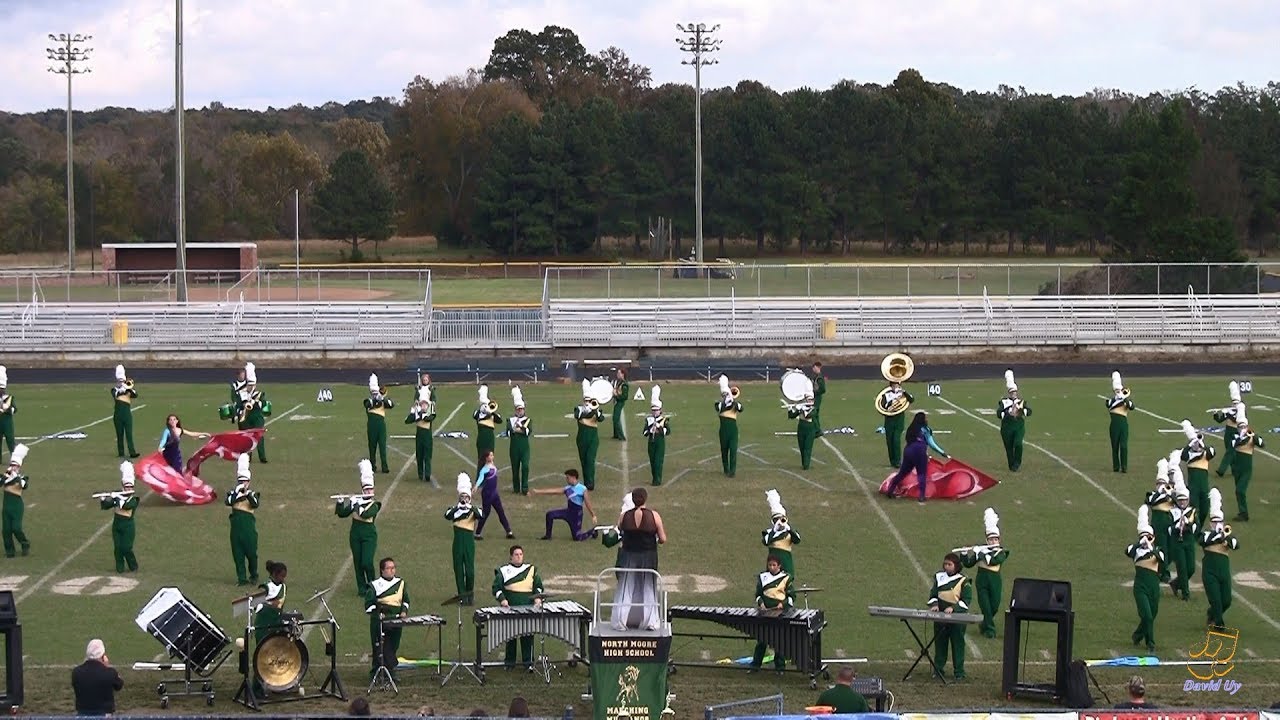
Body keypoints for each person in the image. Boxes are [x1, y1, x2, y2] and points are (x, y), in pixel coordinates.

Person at [614, 488, 666, 631]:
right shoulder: (654, 515)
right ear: (645, 499)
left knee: (626, 587)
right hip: (648, 556)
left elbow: (620, 532)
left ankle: (620, 621)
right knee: (649, 587)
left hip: (628, 555)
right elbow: (663, 539)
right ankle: (650, 622)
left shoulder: (624, 516)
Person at [958, 508, 1008, 639]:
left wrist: (980, 552)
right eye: (991, 540)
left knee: (994, 606)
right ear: (987, 541)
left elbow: (993, 561)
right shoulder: (981, 551)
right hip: (982, 582)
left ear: (999, 540)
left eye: (995, 540)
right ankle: (990, 630)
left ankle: (984, 624)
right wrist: (964, 553)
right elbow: (968, 564)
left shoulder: (1001, 552)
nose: (993, 542)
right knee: (985, 606)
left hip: (995, 582)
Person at [493, 545, 543, 671]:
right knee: (511, 637)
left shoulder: (531, 569)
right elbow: (496, 588)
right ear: (511, 557)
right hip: (511, 609)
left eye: (521, 554)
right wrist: (503, 600)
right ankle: (509, 663)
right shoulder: (504, 571)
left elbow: (538, 586)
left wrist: (538, 597)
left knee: (527, 637)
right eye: (516, 554)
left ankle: (529, 663)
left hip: (528, 609)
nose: (519, 556)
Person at [883, 411, 949, 504]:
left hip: (908, 451)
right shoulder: (926, 429)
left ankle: (890, 490)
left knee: (902, 473)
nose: (927, 419)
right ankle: (922, 496)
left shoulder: (911, 428)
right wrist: (942, 453)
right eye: (925, 418)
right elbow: (931, 444)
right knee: (921, 473)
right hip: (920, 451)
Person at [336, 460, 380, 596]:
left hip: (369, 536)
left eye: (370, 489)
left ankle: (373, 586)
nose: (368, 491)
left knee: (367, 561)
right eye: (366, 489)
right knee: (358, 562)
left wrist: (355, 504)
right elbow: (342, 514)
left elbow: (366, 514)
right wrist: (340, 503)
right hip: (355, 535)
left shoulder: (375, 504)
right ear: (362, 489)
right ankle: (362, 588)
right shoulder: (357, 500)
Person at [1126, 505, 1164, 652]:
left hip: (1154, 586)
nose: (1146, 539)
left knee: (1152, 615)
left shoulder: (1157, 551)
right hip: (1141, 586)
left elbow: (1162, 560)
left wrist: (1151, 547)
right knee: (1147, 616)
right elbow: (1128, 551)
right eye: (1144, 536)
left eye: (1149, 536)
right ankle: (1150, 643)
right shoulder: (1136, 551)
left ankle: (1137, 635)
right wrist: (1140, 543)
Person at [928, 552, 971, 680]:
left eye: (950, 564)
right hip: (941, 618)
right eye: (945, 564)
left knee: (957, 645)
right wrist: (935, 604)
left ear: (956, 566)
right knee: (940, 644)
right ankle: (938, 669)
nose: (946, 567)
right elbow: (933, 594)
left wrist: (953, 608)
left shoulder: (964, 580)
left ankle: (959, 672)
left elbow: (966, 600)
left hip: (957, 620)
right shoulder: (939, 577)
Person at [365, 556, 409, 679]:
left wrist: (404, 612)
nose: (392, 570)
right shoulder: (374, 585)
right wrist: (379, 612)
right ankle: (376, 673)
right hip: (379, 622)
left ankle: (389, 672)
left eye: (393, 568)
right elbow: (368, 606)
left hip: (396, 621)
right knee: (379, 648)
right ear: (382, 570)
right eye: (389, 568)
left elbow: (405, 601)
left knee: (393, 646)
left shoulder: (400, 583)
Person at [1200, 488, 1239, 628]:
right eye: (1214, 522)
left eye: (1219, 522)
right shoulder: (1206, 535)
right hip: (1210, 572)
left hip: (1224, 573)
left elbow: (1236, 545)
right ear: (1211, 523)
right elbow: (1203, 541)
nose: (1217, 525)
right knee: (1216, 600)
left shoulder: (1227, 536)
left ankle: (1212, 614)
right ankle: (1219, 623)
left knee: (1226, 601)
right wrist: (1218, 536)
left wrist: (1226, 538)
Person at [751, 555, 794, 672]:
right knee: (761, 641)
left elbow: (792, 597)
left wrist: (783, 604)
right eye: (770, 565)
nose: (772, 567)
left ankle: (780, 667)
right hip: (765, 613)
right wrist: (761, 604)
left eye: (774, 565)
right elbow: (758, 595)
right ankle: (755, 666)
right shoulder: (762, 577)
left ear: (779, 566)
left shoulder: (786, 578)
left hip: (780, 614)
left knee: (779, 641)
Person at [444, 474, 482, 605]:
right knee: (458, 569)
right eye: (462, 497)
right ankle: (462, 594)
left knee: (470, 570)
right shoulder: (454, 510)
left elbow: (480, 515)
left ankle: (469, 593)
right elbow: (447, 515)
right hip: (458, 541)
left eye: (466, 497)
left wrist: (470, 507)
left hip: (469, 542)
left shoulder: (473, 509)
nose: (464, 499)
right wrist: (458, 507)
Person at [534, 469, 597, 541]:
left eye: (568, 478)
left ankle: (593, 531)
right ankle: (548, 536)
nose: (566, 480)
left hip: (576, 515)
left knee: (577, 537)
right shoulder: (568, 488)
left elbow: (587, 502)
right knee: (550, 515)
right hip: (568, 512)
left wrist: (593, 515)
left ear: (573, 477)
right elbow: (554, 491)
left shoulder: (582, 488)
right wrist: (538, 491)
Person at [226, 454, 260, 585]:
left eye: (245, 482)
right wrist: (237, 493)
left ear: (249, 482)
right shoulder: (233, 493)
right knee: (238, 554)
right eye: (241, 481)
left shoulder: (252, 494)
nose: (243, 484)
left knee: (251, 554)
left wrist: (246, 493)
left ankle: (254, 575)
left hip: (248, 529)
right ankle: (242, 579)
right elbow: (228, 501)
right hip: (235, 529)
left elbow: (255, 503)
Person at [100, 461, 140, 572]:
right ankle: (120, 568)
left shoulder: (134, 500)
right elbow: (107, 506)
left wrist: (117, 497)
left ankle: (133, 566)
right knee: (117, 548)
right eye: (126, 487)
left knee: (126, 547)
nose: (128, 489)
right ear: (123, 487)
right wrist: (105, 499)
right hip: (117, 525)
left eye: (130, 487)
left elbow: (125, 506)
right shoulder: (119, 496)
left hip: (128, 526)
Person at [1167, 468, 1198, 602]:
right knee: (1182, 568)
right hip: (1177, 542)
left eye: (1184, 500)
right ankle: (1186, 594)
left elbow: (1197, 526)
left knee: (1191, 568)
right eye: (1180, 500)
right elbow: (1168, 528)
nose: (1182, 502)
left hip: (1189, 540)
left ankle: (1176, 583)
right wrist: (1176, 527)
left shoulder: (1192, 511)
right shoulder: (1172, 512)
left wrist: (1188, 526)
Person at [71, 638, 123, 716]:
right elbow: (119, 685)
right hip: (104, 715)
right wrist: (106, 666)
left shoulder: (76, 672)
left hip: (82, 715)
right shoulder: (109, 673)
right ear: (102, 656)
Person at [1146, 457, 1176, 583]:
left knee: (1172, 550)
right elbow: (1150, 501)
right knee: (1162, 548)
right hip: (1158, 525)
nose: (1162, 486)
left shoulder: (1172, 495)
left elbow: (1180, 502)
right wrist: (1161, 493)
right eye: (1159, 484)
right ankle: (1164, 573)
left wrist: (1170, 493)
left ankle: (1158, 567)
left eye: (1163, 484)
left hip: (1170, 524)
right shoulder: (1153, 495)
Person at [1180, 418, 1215, 525]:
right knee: (1194, 509)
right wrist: (1190, 444)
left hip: (1204, 487)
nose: (1196, 446)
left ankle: (1199, 527)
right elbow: (1183, 456)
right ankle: (1194, 528)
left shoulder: (1205, 454)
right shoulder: (1189, 455)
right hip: (1193, 487)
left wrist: (1201, 443)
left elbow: (1211, 452)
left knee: (1205, 509)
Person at [474, 450, 514, 540]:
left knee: (500, 512)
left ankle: (509, 531)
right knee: (486, 513)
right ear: (487, 458)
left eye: (492, 455)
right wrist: (476, 486)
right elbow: (480, 478)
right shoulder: (485, 469)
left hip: (494, 493)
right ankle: (477, 533)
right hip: (487, 494)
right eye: (490, 455)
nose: (492, 456)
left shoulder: (492, 465)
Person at [997, 369, 1031, 472]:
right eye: (1012, 392)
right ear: (1009, 393)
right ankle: (1012, 466)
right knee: (1009, 448)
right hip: (1007, 427)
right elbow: (999, 413)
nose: (1013, 394)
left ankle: (1017, 462)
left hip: (1018, 426)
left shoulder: (1021, 402)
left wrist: (1020, 411)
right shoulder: (1004, 402)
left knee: (1018, 443)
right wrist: (1008, 412)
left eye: (1015, 392)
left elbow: (1029, 412)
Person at [236, 362, 271, 463]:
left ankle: (262, 457)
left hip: (257, 417)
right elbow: (238, 405)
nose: (250, 387)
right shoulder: (242, 393)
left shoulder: (259, 394)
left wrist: (257, 402)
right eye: (249, 385)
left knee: (259, 436)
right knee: (246, 437)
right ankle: (248, 457)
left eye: (252, 385)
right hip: (246, 417)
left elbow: (263, 405)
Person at [1229, 412, 1261, 521]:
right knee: (1238, 491)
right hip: (1237, 469)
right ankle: (1242, 513)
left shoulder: (1252, 438)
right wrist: (1242, 436)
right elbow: (1235, 444)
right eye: (1240, 427)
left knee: (1240, 490)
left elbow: (1262, 444)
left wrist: (1254, 436)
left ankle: (1244, 513)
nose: (1242, 428)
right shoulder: (1235, 437)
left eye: (1244, 426)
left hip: (1246, 469)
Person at [573, 380, 604, 490]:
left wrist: (596, 411)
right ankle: (586, 482)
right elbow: (579, 416)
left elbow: (601, 419)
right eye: (586, 400)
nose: (587, 402)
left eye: (589, 400)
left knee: (590, 459)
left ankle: (590, 483)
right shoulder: (579, 409)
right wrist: (591, 411)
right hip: (581, 438)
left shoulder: (596, 409)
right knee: (584, 460)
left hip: (592, 438)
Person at [762, 490, 800, 579]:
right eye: (776, 520)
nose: (778, 521)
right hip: (772, 565)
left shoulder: (789, 532)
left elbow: (797, 540)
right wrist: (775, 530)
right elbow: (766, 541)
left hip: (786, 563)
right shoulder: (769, 532)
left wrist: (788, 528)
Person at [2, 444, 31, 557]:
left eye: (15, 466)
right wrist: (6, 475)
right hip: (6, 506)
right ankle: (10, 550)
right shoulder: (5, 477)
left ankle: (25, 543)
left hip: (17, 506)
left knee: (16, 528)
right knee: (6, 530)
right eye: (11, 465)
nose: (13, 467)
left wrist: (16, 476)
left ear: (19, 467)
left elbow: (23, 485)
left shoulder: (22, 478)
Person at [878, 380, 913, 468]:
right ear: (891, 386)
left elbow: (911, 400)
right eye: (894, 385)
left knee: (896, 439)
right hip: (889, 420)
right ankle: (892, 461)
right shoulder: (886, 395)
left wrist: (904, 392)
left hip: (899, 419)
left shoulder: (902, 394)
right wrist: (891, 402)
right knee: (889, 441)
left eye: (897, 385)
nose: (896, 387)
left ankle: (898, 461)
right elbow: (883, 406)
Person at [364, 373, 394, 474]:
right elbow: (369, 404)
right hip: (372, 425)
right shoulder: (368, 400)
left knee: (382, 446)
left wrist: (382, 397)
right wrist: (377, 398)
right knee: (372, 447)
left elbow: (391, 405)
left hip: (381, 425)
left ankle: (384, 466)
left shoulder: (383, 401)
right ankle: (372, 466)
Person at [406, 386, 437, 483]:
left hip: (427, 436)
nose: (423, 406)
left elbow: (429, 418)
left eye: (425, 405)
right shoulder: (417, 414)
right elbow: (407, 421)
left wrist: (420, 415)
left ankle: (427, 474)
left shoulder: (430, 414)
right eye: (422, 404)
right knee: (419, 455)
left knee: (427, 456)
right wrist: (413, 413)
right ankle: (420, 474)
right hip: (419, 435)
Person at [1105, 371, 1134, 473]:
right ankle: (1116, 466)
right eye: (1116, 390)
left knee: (1123, 446)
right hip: (1114, 425)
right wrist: (1117, 398)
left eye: (1119, 390)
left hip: (1123, 425)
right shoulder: (1111, 400)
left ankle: (1124, 466)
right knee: (1115, 446)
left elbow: (1132, 407)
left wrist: (1124, 399)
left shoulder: (1126, 400)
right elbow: (1108, 404)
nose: (1118, 392)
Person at [1213, 382, 1243, 478]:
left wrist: (1229, 414)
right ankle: (1235, 470)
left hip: (1236, 432)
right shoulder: (1230, 410)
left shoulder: (1241, 411)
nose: (1234, 405)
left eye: (1236, 403)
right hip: (1228, 432)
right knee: (1230, 452)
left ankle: (1221, 470)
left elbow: (1237, 420)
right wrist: (1215, 414)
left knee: (1230, 452)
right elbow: (1220, 420)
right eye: (1233, 403)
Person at [110, 364, 140, 459]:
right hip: (118, 415)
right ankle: (121, 452)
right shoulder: (114, 389)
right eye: (119, 381)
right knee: (119, 434)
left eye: (122, 381)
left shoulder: (128, 390)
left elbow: (136, 395)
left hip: (127, 414)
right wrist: (122, 389)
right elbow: (116, 394)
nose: (121, 383)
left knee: (129, 434)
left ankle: (132, 452)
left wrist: (129, 389)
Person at [715, 375, 743, 477]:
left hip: (733, 430)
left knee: (733, 450)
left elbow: (741, 408)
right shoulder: (718, 404)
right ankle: (726, 469)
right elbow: (720, 408)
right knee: (724, 450)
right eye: (724, 394)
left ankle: (732, 471)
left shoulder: (734, 404)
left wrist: (733, 402)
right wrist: (726, 403)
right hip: (723, 430)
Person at [255, 561, 288, 644]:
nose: (283, 579)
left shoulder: (283, 586)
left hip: (277, 622)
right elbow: (255, 603)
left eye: (284, 576)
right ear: (274, 574)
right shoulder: (266, 586)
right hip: (264, 623)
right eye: (282, 576)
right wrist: (270, 604)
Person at [642, 387, 670, 486]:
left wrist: (660, 427)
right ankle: (654, 478)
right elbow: (644, 433)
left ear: (660, 410)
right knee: (652, 461)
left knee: (658, 461)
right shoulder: (648, 419)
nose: (654, 412)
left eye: (656, 410)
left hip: (660, 442)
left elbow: (668, 431)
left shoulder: (664, 419)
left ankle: (658, 480)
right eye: (653, 410)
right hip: (651, 442)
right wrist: (650, 430)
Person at [473, 385, 502, 477]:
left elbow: (500, 420)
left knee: (490, 457)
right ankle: (480, 479)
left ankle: (490, 477)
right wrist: (482, 410)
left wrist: (491, 412)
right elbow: (475, 415)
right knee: (481, 458)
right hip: (481, 438)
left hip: (490, 438)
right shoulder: (478, 413)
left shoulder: (492, 415)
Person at [508, 387, 532, 495]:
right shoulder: (510, 420)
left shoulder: (528, 420)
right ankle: (516, 488)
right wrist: (517, 429)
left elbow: (527, 431)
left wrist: (519, 428)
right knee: (515, 468)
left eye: (521, 409)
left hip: (524, 448)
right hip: (513, 447)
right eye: (518, 409)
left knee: (525, 467)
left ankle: (525, 488)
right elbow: (509, 432)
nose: (520, 411)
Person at [788, 390, 818, 471]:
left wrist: (801, 410)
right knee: (801, 447)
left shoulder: (814, 409)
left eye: (811, 400)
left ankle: (806, 465)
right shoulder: (802, 407)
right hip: (801, 428)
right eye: (808, 400)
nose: (810, 401)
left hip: (809, 429)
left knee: (807, 447)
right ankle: (803, 463)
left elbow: (808, 415)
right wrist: (790, 409)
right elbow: (792, 416)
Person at [0, 366, 14, 466]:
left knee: (10, 441)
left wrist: (8, 408)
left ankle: (14, 459)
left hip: (7, 423)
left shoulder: (9, 398)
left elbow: (15, 409)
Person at [809, 361, 827, 436]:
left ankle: (818, 430)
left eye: (814, 367)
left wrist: (813, 393)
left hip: (816, 398)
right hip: (815, 397)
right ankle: (817, 429)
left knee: (813, 414)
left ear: (817, 367)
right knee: (815, 414)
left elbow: (823, 389)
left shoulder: (819, 378)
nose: (813, 369)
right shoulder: (816, 376)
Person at [611, 368, 629, 440]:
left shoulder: (624, 384)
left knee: (616, 418)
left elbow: (624, 396)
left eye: (619, 373)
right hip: (617, 402)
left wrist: (616, 396)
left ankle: (621, 436)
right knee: (614, 418)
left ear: (623, 374)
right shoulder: (619, 382)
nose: (617, 375)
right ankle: (616, 434)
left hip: (620, 402)